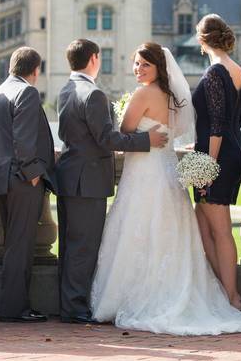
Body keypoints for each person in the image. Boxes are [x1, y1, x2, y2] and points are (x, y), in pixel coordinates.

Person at [89, 42, 241, 336]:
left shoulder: (144, 93)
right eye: (136, 63)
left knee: (139, 228)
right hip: (167, 168)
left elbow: (125, 131)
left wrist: (126, 114)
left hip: (145, 171)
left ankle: (134, 295)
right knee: (168, 232)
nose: (138, 69)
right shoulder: (170, 95)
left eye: (145, 64)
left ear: (159, 67)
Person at [55, 39, 166, 324]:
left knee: (70, 245)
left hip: (69, 176)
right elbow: (107, 140)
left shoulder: (66, 89)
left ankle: (68, 304)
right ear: (94, 58)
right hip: (87, 179)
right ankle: (75, 308)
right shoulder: (93, 94)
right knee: (83, 246)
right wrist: (147, 139)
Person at [0, 47, 55, 323]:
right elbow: (23, 138)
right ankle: (16, 309)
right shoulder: (26, 92)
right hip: (21, 180)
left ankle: (12, 307)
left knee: (13, 246)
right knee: (20, 247)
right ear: (36, 70)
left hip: (2, 178)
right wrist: (33, 173)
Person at [191, 15, 241, 310]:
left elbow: (216, 124)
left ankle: (231, 297)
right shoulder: (238, 69)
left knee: (220, 229)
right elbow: (237, 120)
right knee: (201, 223)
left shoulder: (214, 72)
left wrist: (208, 166)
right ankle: (220, 290)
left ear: (202, 41)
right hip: (231, 149)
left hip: (217, 157)